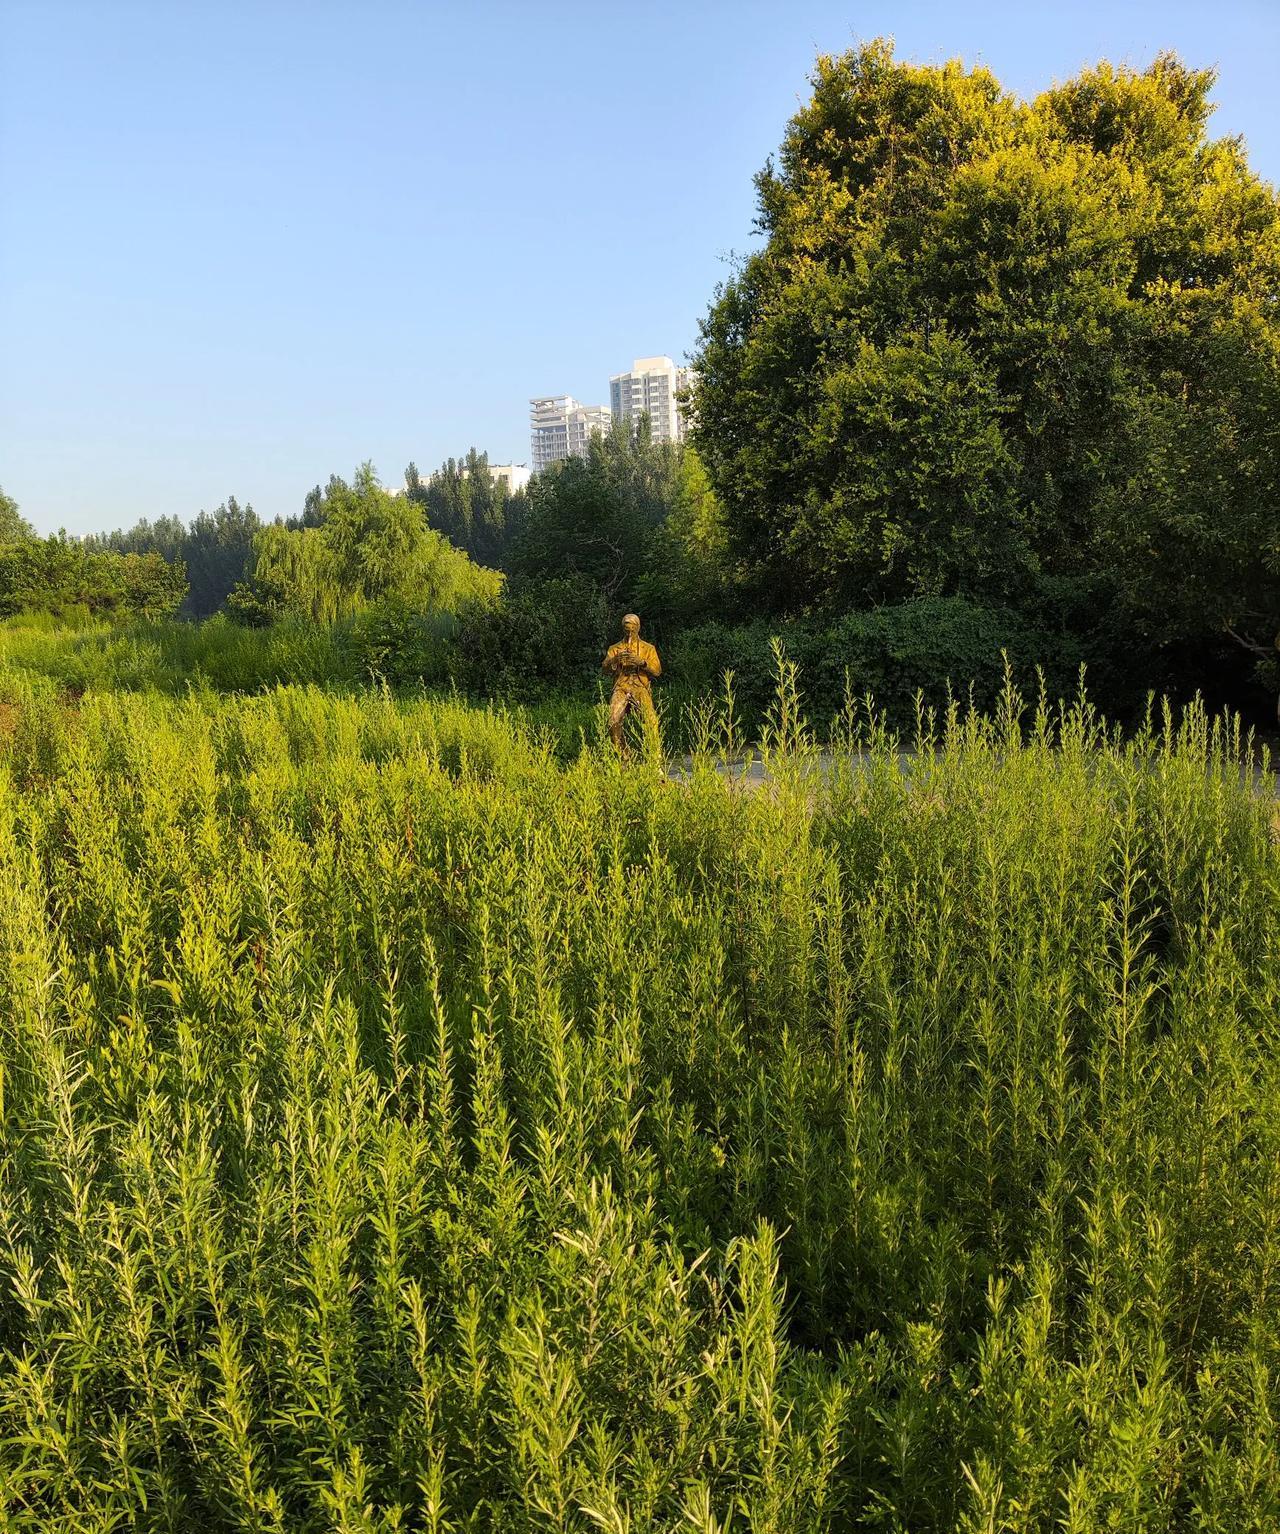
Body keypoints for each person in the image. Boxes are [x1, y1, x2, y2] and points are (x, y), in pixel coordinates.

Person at [602, 612, 661, 756]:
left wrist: (641, 662)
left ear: (638, 628)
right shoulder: (614, 648)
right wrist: (614, 660)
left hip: (640, 686)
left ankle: (655, 757)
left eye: (632, 630)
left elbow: (657, 671)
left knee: (650, 720)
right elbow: (604, 669)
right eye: (626, 630)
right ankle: (624, 756)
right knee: (613, 720)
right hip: (621, 686)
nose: (629, 633)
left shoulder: (648, 648)